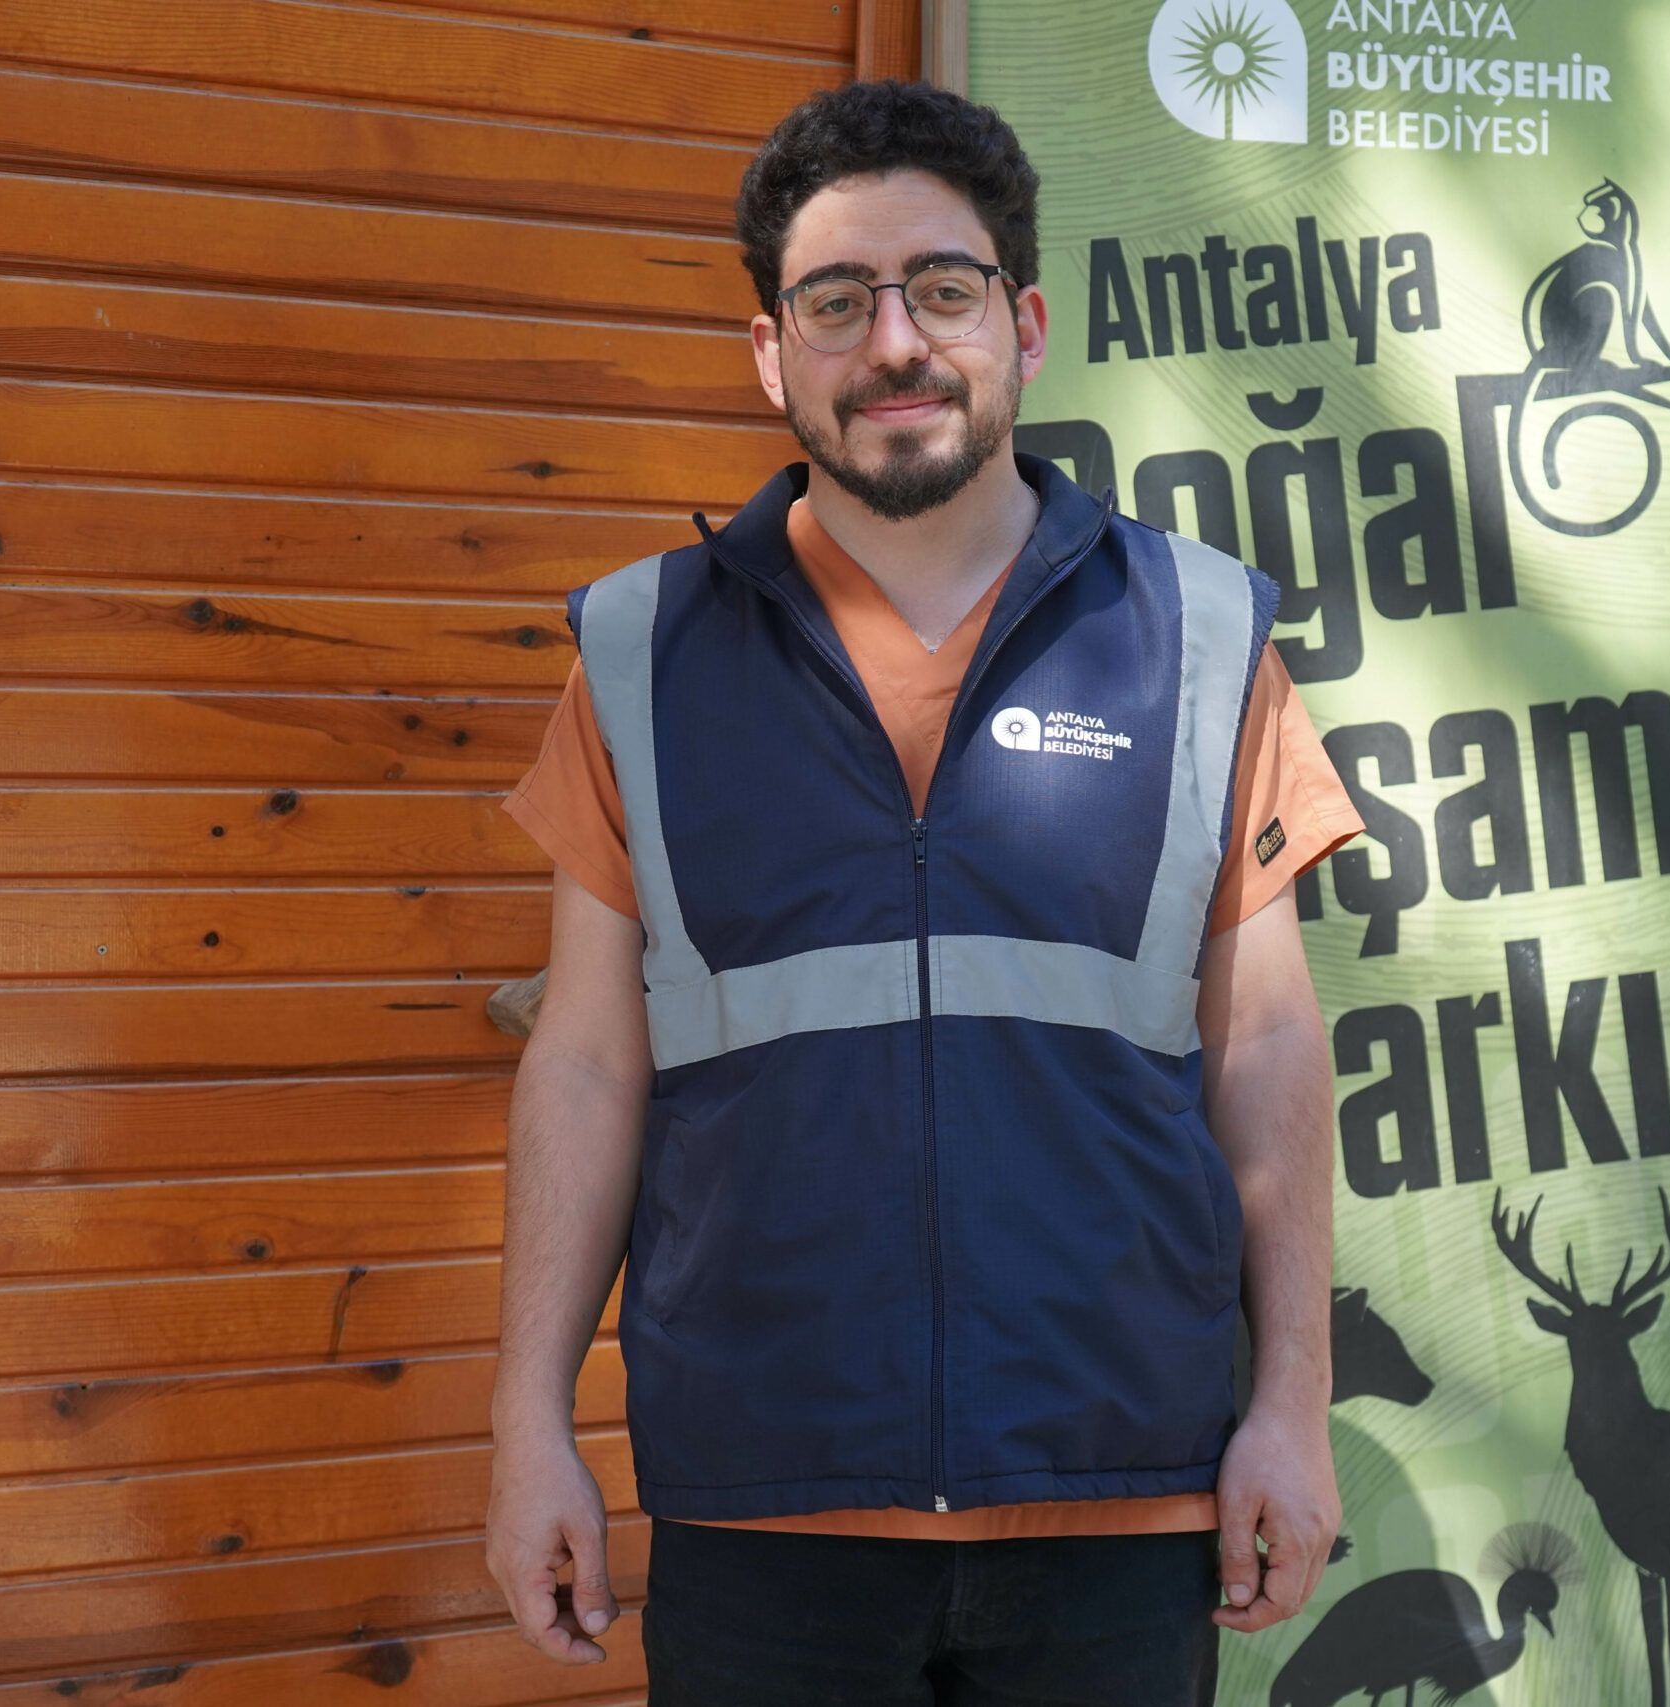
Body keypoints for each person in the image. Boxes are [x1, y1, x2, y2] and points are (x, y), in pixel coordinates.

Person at [485, 80, 1364, 1706]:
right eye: (836, 302)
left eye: (942, 289)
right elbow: (588, 1062)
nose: (895, 342)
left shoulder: (1199, 635)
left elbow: (1266, 1049)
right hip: (765, 1504)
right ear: (773, 356)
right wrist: (527, 1420)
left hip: (1117, 1494)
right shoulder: (639, 655)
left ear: (1022, 325)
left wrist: (1291, 1407)